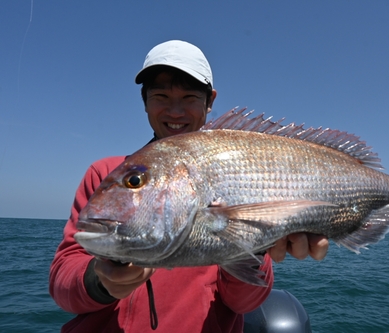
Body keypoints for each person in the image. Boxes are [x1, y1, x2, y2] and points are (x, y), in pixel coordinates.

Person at [49, 40, 329, 333]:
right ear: (144, 101)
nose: (175, 111)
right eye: (160, 95)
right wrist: (99, 281)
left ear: (210, 101)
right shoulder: (105, 173)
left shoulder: (244, 169)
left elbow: (244, 303)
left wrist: (253, 249)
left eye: (190, 97)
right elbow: (62, 283)